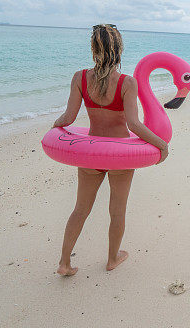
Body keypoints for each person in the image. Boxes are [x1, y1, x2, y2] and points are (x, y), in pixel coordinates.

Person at [51, 24, 169, 276]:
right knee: (117, 210)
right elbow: (135, 124)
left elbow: (69, 117)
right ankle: (112, 259)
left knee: (80, 209)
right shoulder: (127, 82)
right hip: (119, 155)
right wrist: (161, 144)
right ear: (119, 49)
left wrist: (55, 129)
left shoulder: (80, 78)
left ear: (93, 48)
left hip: (92, 152)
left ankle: (64, 263)